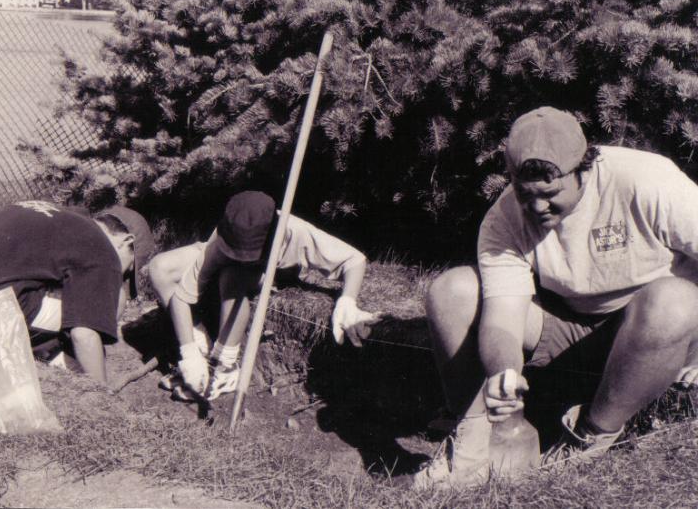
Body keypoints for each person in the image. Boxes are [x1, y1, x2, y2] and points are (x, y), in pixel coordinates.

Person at [405, 106, 698, 490]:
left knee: (672, 301)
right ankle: (481, 442)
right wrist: (505, 376)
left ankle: (591, 436)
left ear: (584, 169)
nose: (538, 207)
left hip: (652, 328)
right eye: (526, 194)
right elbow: (502, 320)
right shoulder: (505, 217)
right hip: (566, 323)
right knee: (452, 291)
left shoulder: (647, 180)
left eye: (550, 194)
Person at [148, 190, 378, 401]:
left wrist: (347, 300)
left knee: (232, 275)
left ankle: (224, 369)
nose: (241, 256)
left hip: (269, 272)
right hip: (223, 258)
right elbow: (182, 296)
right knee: (160, 267)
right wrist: (189, 354)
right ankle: (201, 353)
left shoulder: (295, 231)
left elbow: (354, 259)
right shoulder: (226, 233)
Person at [0, 200, 155, 387]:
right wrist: (102, 391)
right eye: (128, 271)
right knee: (85, 312)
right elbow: (83, 334)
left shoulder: (51, 209)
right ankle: (56, 358)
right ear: (127, 241)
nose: (121, 277)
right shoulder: (104, 251)